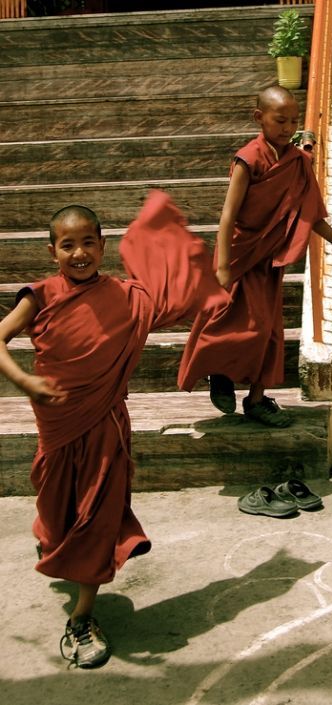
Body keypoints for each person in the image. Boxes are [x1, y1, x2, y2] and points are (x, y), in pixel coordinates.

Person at [0, 191, 218, 669]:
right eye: (67, 245)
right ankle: (54, 536)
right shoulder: (40, 296)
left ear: (104, 245)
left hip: (104, 421)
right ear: (51, 252)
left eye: (87, 243)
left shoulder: (125, 295)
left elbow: (176, 297)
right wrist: (21, 379)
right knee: (56, 505)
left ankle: (82, 618)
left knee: (94, 513)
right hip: (57, 421)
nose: (78, 253)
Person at [177, 84, 332, 427]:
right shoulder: (247, 159)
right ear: (259, 118)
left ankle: (258, 400)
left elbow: (311, 214)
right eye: (280, 121)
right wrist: (220, 267)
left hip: (266, 259)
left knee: (266, 330)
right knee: (221, 322)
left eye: (293, 121)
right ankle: (218, 373)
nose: (288, 128)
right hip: (236, 255)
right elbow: (228, 215)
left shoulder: (297, 162)